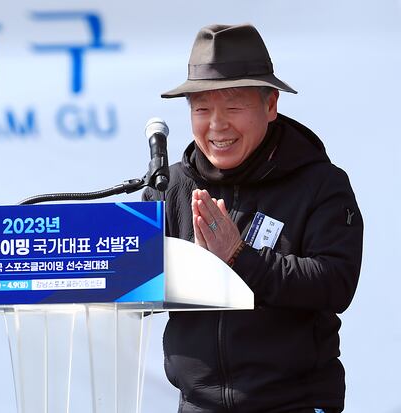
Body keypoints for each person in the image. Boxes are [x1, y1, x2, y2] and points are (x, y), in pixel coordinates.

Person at [143, 24, 363, 413]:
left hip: (294, 404)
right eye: (202, 109)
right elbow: (132, 284)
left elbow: (335, 284)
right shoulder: (171, 187)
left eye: (233, 107)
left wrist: (239, 257)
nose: (216, 125)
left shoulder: (321, 184)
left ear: (270, 105)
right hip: (196, 405)